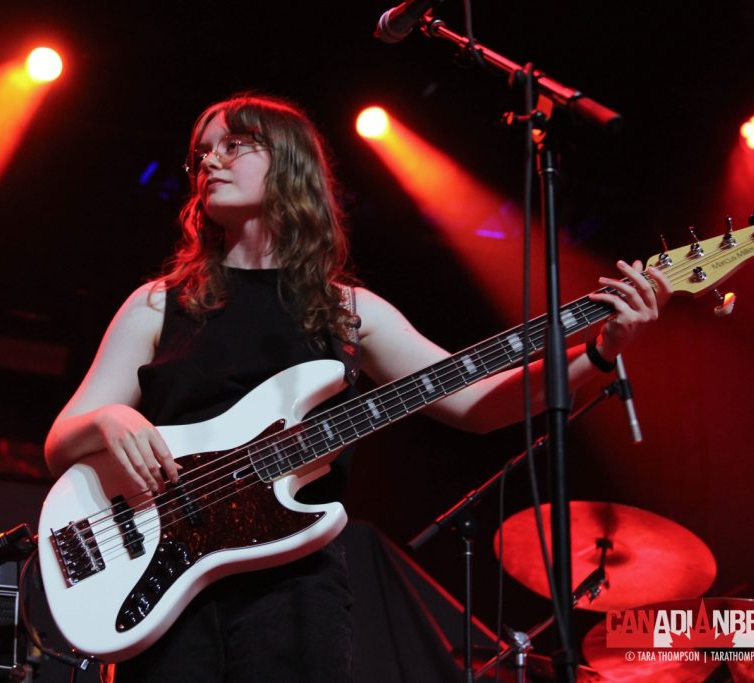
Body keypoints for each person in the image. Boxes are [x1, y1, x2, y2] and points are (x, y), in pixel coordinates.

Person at [43, 92, 671, 681]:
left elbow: (473, 403)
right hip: (159, 577)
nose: (209, 161)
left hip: (293, 591)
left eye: (233, 145)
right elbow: (60, 441)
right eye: (201, 152)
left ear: (289, 164)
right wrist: (107, 420)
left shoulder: (349, 311)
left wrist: (599, 352)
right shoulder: (158, 304)